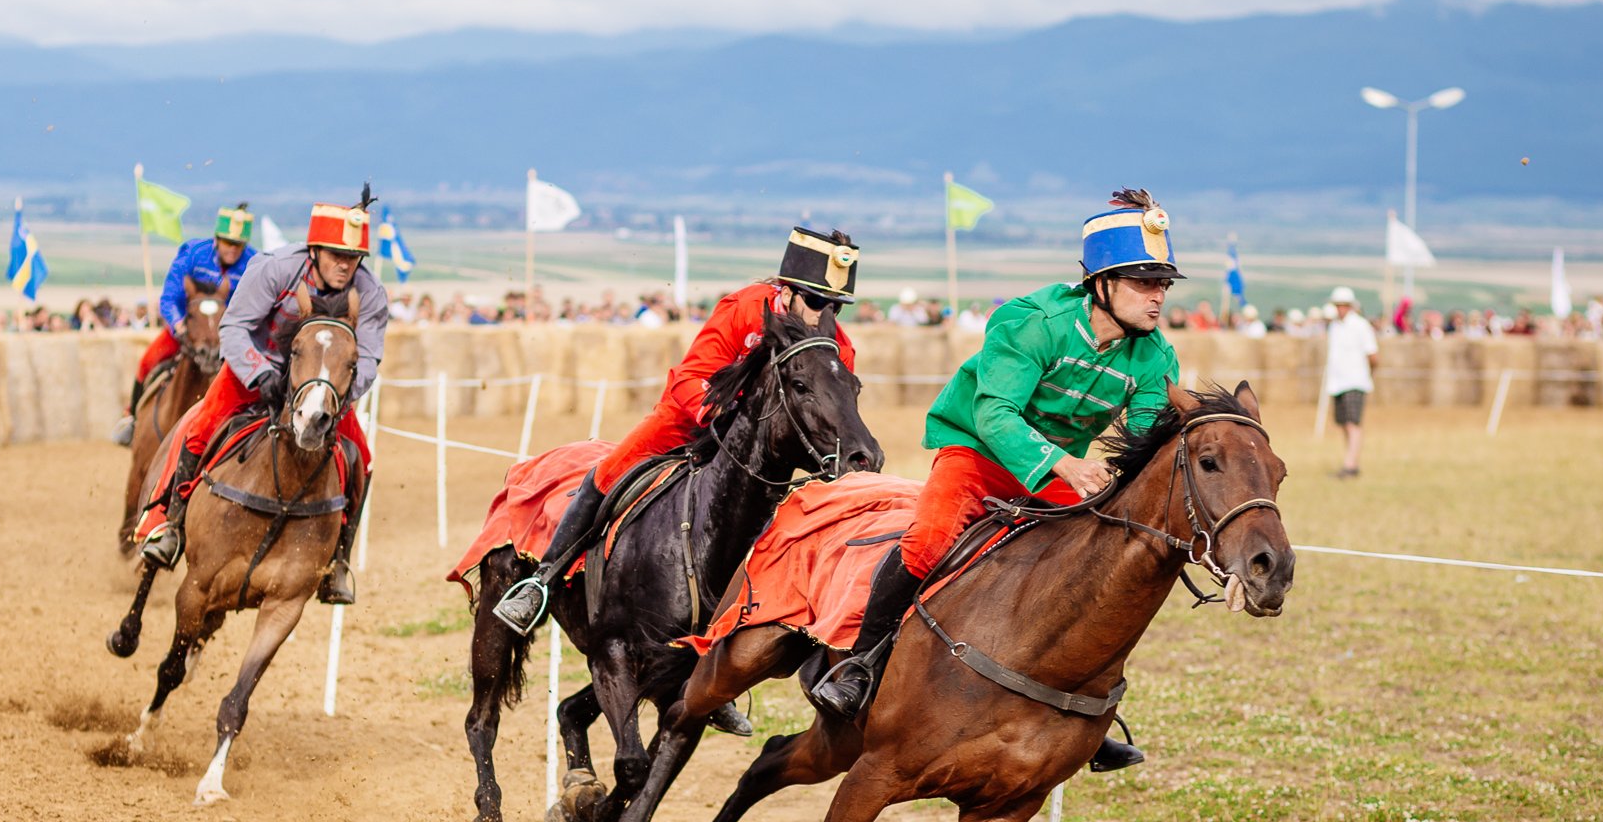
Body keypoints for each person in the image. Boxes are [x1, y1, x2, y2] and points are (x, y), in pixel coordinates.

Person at [807, 189, 1182, 773]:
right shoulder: (1032, 322)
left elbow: (1145, 438)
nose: (1158, 295)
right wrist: (1065, 464)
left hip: (1055, 472)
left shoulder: (1156, 356)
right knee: (928, 542)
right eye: (1144, 282)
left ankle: (1088, 711)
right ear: (1102, 283)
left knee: (1096, 559)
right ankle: (859, 666)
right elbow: (996, 415)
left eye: (1163, 284)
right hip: (977, 451)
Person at [492, 227, 863, 637]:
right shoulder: (744, 308)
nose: (822, 317)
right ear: (787, 292)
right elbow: (692, 375)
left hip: (759, 451)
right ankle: (542, 582)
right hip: (687, 420)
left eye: (835, 307)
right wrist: (722, 418)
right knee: (608, 472)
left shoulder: (837, 347)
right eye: (815, 302)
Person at [140, 200, 388, 605]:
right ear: (314, 250)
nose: (346, 265)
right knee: (199, 426)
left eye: (354, 257)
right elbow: (235, 327)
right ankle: (169, 523)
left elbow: (370, 358)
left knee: (363, 456)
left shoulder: (371, 292)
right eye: (337, 255)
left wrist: (334, 395)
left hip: (321, 387)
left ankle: (338, 561)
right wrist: (260, 374)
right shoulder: (275, 268)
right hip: (255, 368)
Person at [113, 205, 258, 446]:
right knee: (148, 361)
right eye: (228, 242)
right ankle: (133, 419)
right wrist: (178, 325)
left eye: (238, 244)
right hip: (186, 328)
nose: (233, 249)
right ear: (217, 238)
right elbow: (169, 297)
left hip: (227, 336)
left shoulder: (253, 263)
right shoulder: (193, 253)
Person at [1324, 286, 1376, 478]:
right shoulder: (1334, 327)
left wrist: (1368, 374)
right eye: (1338, 305)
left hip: (1355, 380)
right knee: (1344, 423)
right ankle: (1350, 460)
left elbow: (1373, 355)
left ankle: (1351, 465)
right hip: (1337, 382)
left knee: (1353, 423)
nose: (1341, 308)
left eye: (1344, 305)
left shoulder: (1361, 325)